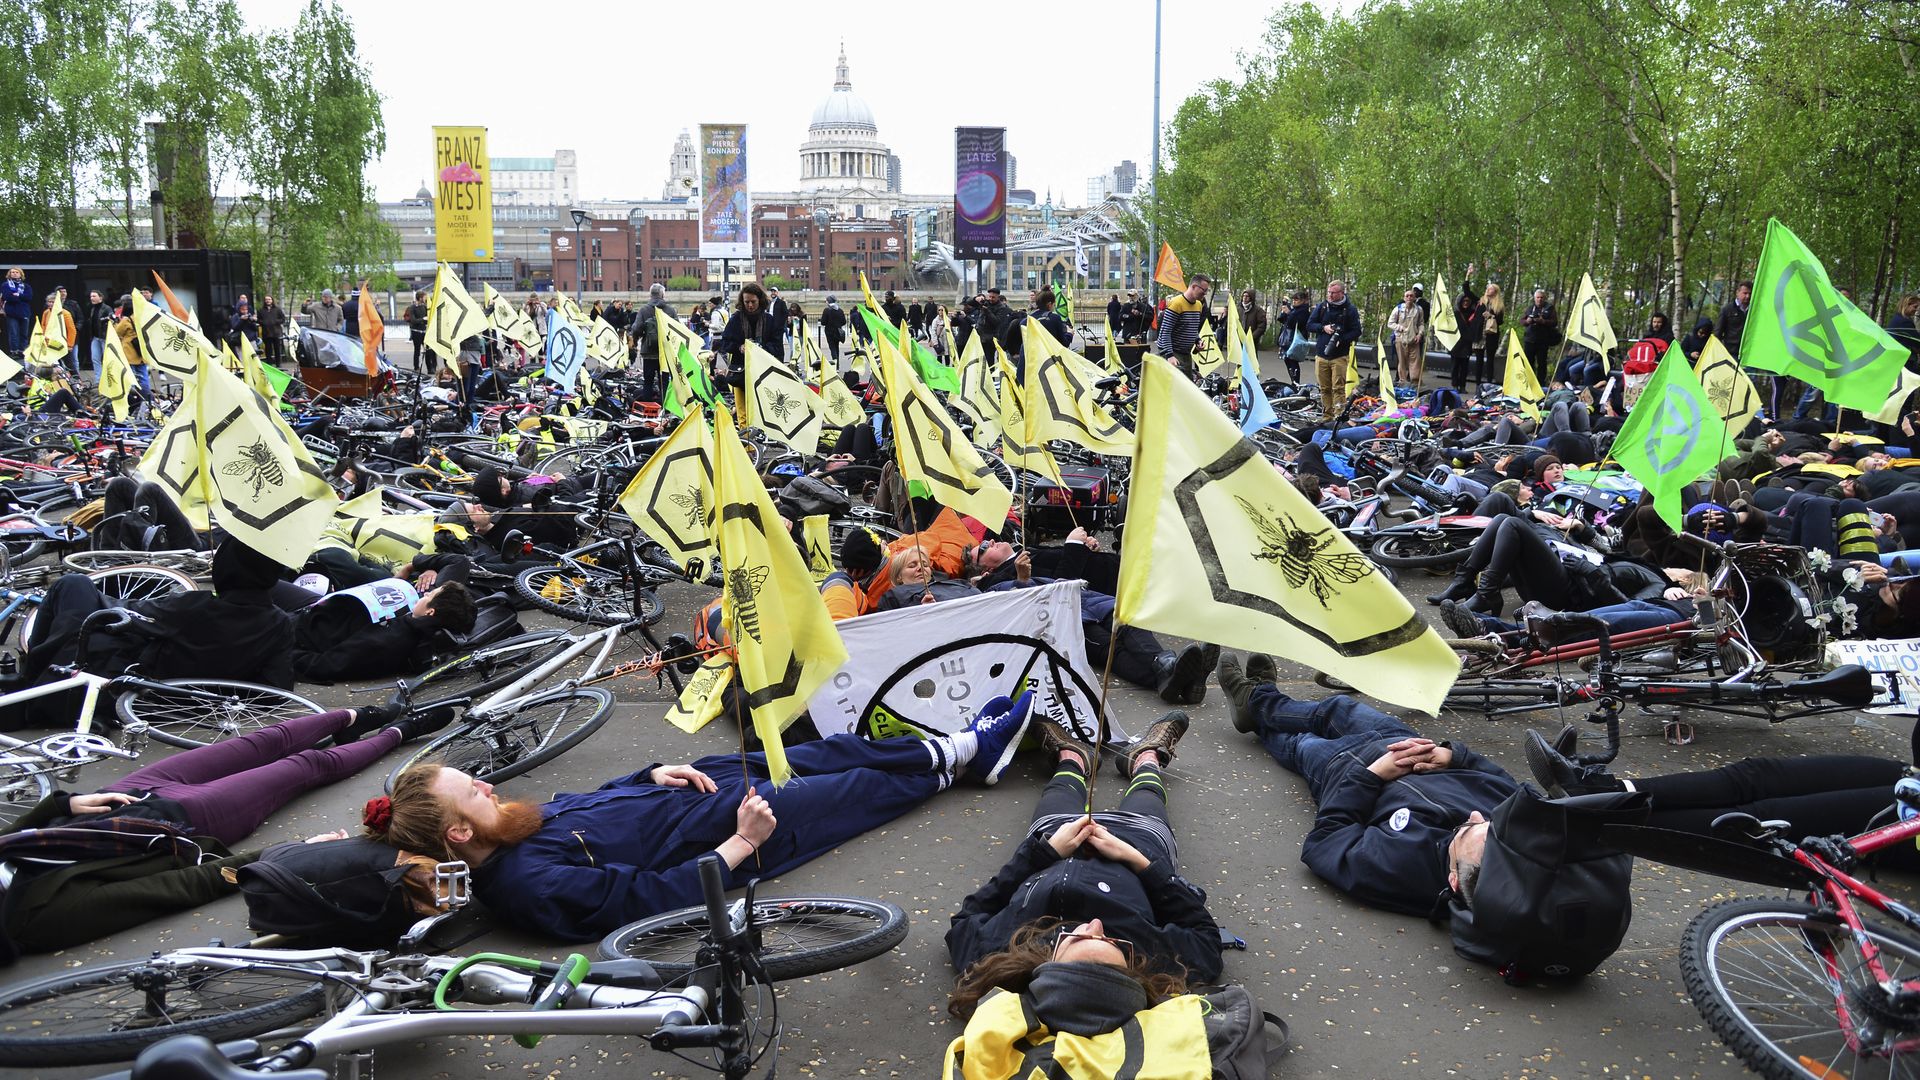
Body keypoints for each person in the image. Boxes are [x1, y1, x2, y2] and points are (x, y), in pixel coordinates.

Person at [375, 694, 1039, 939]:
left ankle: (956, 748)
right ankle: (965, 758)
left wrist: (648, 774)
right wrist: (741, 847)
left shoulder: (509, 823)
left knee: (812, 752)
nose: (489, 786)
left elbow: (593, 803)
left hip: (692, 792)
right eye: (474, 792)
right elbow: (643, 902)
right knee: (852, 789)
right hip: (730, 834)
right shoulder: (525, 883)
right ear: (460, 833)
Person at [0, 702, 457, 956]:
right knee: (305, 764)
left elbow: (19, 833)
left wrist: (64, 802)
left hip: (117, 798)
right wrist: (285, 853)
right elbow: (179, 887)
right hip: (180, 820)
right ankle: (398, 732)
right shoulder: (38, 920)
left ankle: (358, 716)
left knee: (263, 740)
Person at [1218, 656, 1516, 915]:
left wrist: (1370, 775)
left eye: (1466, 829)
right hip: (1402, 741)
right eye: (1489, 824)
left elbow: (1327, 843)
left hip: (1344, 768)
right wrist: (1451, 755)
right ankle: (1258, 699)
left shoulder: (1401, 868)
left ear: (1453, 879)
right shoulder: (1510, 832)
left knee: (1300, 743)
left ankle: (1255, 703)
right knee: (1335, 707)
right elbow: (1503, 782)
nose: (1477, 815)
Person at [946, 709, 1223, 984]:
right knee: (1146, 795)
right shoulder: (1153, 959)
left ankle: (1072, 757)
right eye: (1115, 943)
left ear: (1043, 964)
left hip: (1056, 840)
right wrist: (1140, 862)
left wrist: (1043, 853)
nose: (1097, 925)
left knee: (1059, 792)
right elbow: (1206, 940)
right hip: (1137, 844)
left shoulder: (997, 954)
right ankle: (1147, 759)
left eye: (1073, 937)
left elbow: (965, 920)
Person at [290, 570, 479, 683]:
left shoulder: (390, 640)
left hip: (298, 631)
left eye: (430, 596)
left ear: (431, 612)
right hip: (316, 612)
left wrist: (283, 653)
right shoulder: (410, 623)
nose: (425, 595)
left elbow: (326, 665)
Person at [716, 282, 783, 384]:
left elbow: (777, 346)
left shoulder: (769, 320)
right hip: (741, 374)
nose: (750, 305)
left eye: (753, 301)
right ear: (742, 302)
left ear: (760, 300)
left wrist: (761, 348)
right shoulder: (735, 319)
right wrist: (740, 347)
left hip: (765, 371)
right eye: (747, 302)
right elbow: (725, 343)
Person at [1309, 279, 1362, 403]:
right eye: (1328, 292)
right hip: (1321, 354)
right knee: (1324, 389)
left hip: (1339, 356)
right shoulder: (1322, 306)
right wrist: (1323, 328)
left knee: (1338, 389)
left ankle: (1338, 416)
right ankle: (1327, 417)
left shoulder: (1350, 310)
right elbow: (1309, 324)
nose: (1330, 295)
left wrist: (1342, 340)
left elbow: (1356, 331)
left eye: (1333, 293)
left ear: (1341, 293)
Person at [1153, 275, 1213, 377]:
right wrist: (1170, 355)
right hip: (1173, 353)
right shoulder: (1176, 303)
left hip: (1186, 354)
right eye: (1204, 290)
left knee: (1187, 387)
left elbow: (1192, 329)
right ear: (1194, 287)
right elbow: (1165, 332)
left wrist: (1198, 340)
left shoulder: (1198, 305)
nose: (1205, 293)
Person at [1388, 287, 1427, 389]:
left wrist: (1420, 334)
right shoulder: (1398, 309)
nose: (1409, 297)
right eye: (1407, 296)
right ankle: (1403, 382)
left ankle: (1415, 383)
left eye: (1411, 296)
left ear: (1414, 298)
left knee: (1415, 362)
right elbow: (1390, 323)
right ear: (1404, 298)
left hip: (1414, 339)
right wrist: (1400, 328)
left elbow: (1421, 323)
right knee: (1402, 361)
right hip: (1400, 339)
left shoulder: (1419, 309)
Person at [1520, 288, 1558, 378]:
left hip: (1543, 340)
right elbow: (1522, 320)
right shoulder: (1530, 308)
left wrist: (1543, 321)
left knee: (1542, 363)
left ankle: (1541, 383)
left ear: (1544, 298)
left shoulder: (1549, 308)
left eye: (1541, 297)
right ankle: (1529, 381)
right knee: (1528, 362)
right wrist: (1528, 321)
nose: (1539, 299)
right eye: (1537, 297)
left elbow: (1555, 322)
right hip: (1530, 339)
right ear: (1534, 298)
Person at [1716, 279, 1752, 360]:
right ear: (1737, 293)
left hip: (1749, 352)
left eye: (1750, 294)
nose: (1748, 296)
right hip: (1731, 352)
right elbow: (1718, 332)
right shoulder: (1727, 310)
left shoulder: (1754, 310)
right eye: (1745, 293)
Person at [1, 266, 31, 357]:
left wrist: (17, 295)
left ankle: (23, 351)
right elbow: (7, 297)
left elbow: (29, 297)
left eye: (16, 272)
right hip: (12, 313)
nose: (14, 273)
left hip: (24, 312)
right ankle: (14, 351)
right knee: (13, 333)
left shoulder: (26, 286)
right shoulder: (5, 285)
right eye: (12, 272)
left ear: (21, 274)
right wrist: (21, 296)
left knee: (24, 334)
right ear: (9, 274)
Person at [83, 289, 111, 375]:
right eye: (91, 296)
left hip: (104, 337)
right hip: (95, 337)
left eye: (94, 296)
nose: (91, 298)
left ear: (101, 297)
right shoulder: (92, 308)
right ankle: (98, 380)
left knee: (107, 359)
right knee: (95, 359)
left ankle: (109, 378)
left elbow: (112, 320)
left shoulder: (107, 308)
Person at [258, 296, 288, 365]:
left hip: (276, 333)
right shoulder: (261, 310)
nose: (268, 301)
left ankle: (278, 364)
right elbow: (259, 320)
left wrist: (275, 321)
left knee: (277, 349)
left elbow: (283, 319)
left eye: (269, 299)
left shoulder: (277, 309)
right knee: (268, 350)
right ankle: (269, 364)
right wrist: (264, 322)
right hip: (266, 333)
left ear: (272, 300)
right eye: (266, 299)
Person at [405, 290, 429, 369]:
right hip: (416, 332)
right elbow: (413, 320)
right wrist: (423, 319)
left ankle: (430, 367)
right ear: (420, 297)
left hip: (424, 331)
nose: (425, 299)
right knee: (417, 350)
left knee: (428, 350)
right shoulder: (412, 307)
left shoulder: (424, 306)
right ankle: (416, 366)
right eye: (424, 297)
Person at [821, 296, 847, 361]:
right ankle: (837, 365)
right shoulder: (840, 310)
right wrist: (838, 325)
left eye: (826, 300)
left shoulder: (826, 310)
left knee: (832, 347)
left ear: (828, 301)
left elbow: (823, 322)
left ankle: (835, 363)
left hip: (829, 332)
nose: (826, 302)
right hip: (838, 331)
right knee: (836, 347)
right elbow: (844, 322)